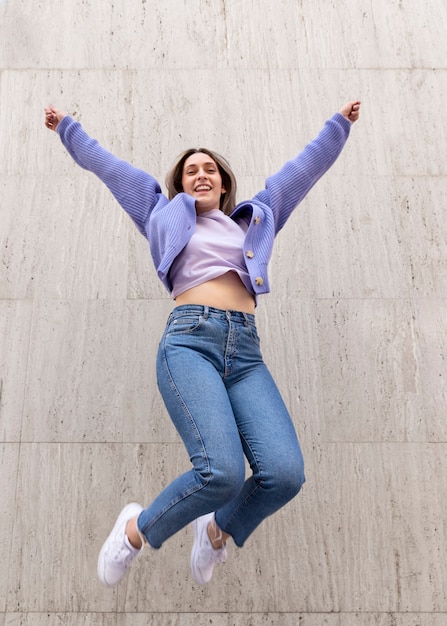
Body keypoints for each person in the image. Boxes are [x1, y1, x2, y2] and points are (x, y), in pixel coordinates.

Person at [44, 99, 361, 588]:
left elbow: (303, 170)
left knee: (284, 473)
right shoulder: (161, 214)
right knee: (221, 473)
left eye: (209, 168)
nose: (201, 174)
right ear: (181, 185)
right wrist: (68, 129)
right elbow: (110, 168)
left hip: (246, 353)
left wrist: (338, 126)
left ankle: (216, 531)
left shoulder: (256, 217)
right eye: (191, 171)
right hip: (190, 342)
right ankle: (134, 530)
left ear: (224, 182)